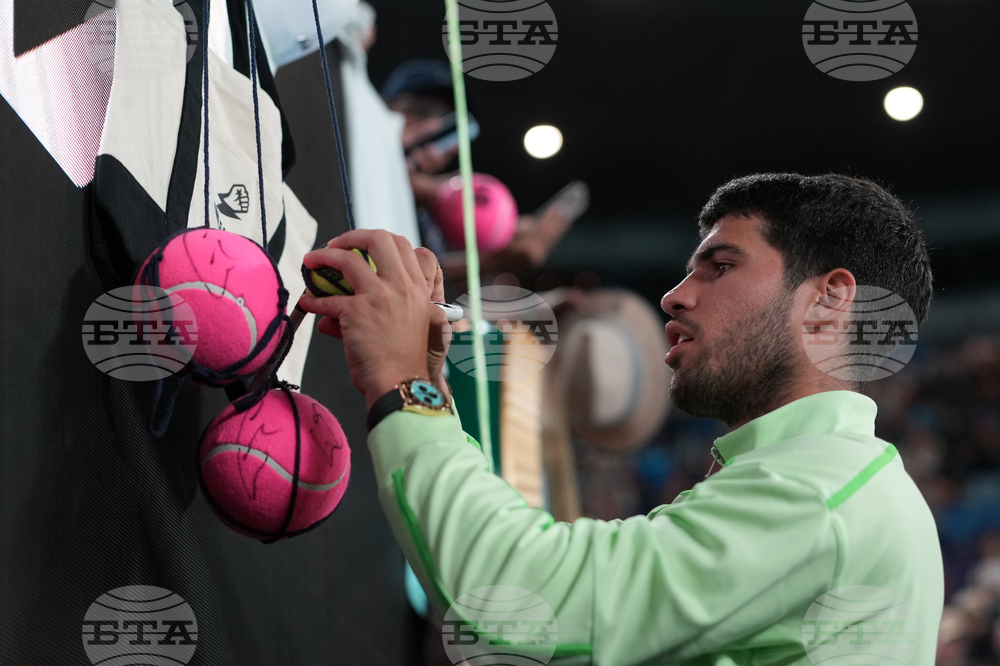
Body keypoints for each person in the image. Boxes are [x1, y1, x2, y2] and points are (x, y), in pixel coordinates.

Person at [298, 172, 944, 664]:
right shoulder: (837, 483)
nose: (675, 295)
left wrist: (406, 386)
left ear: (830, 300)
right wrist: (429, 378)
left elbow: (517, 600)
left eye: (720, 267)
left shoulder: (817, 493)